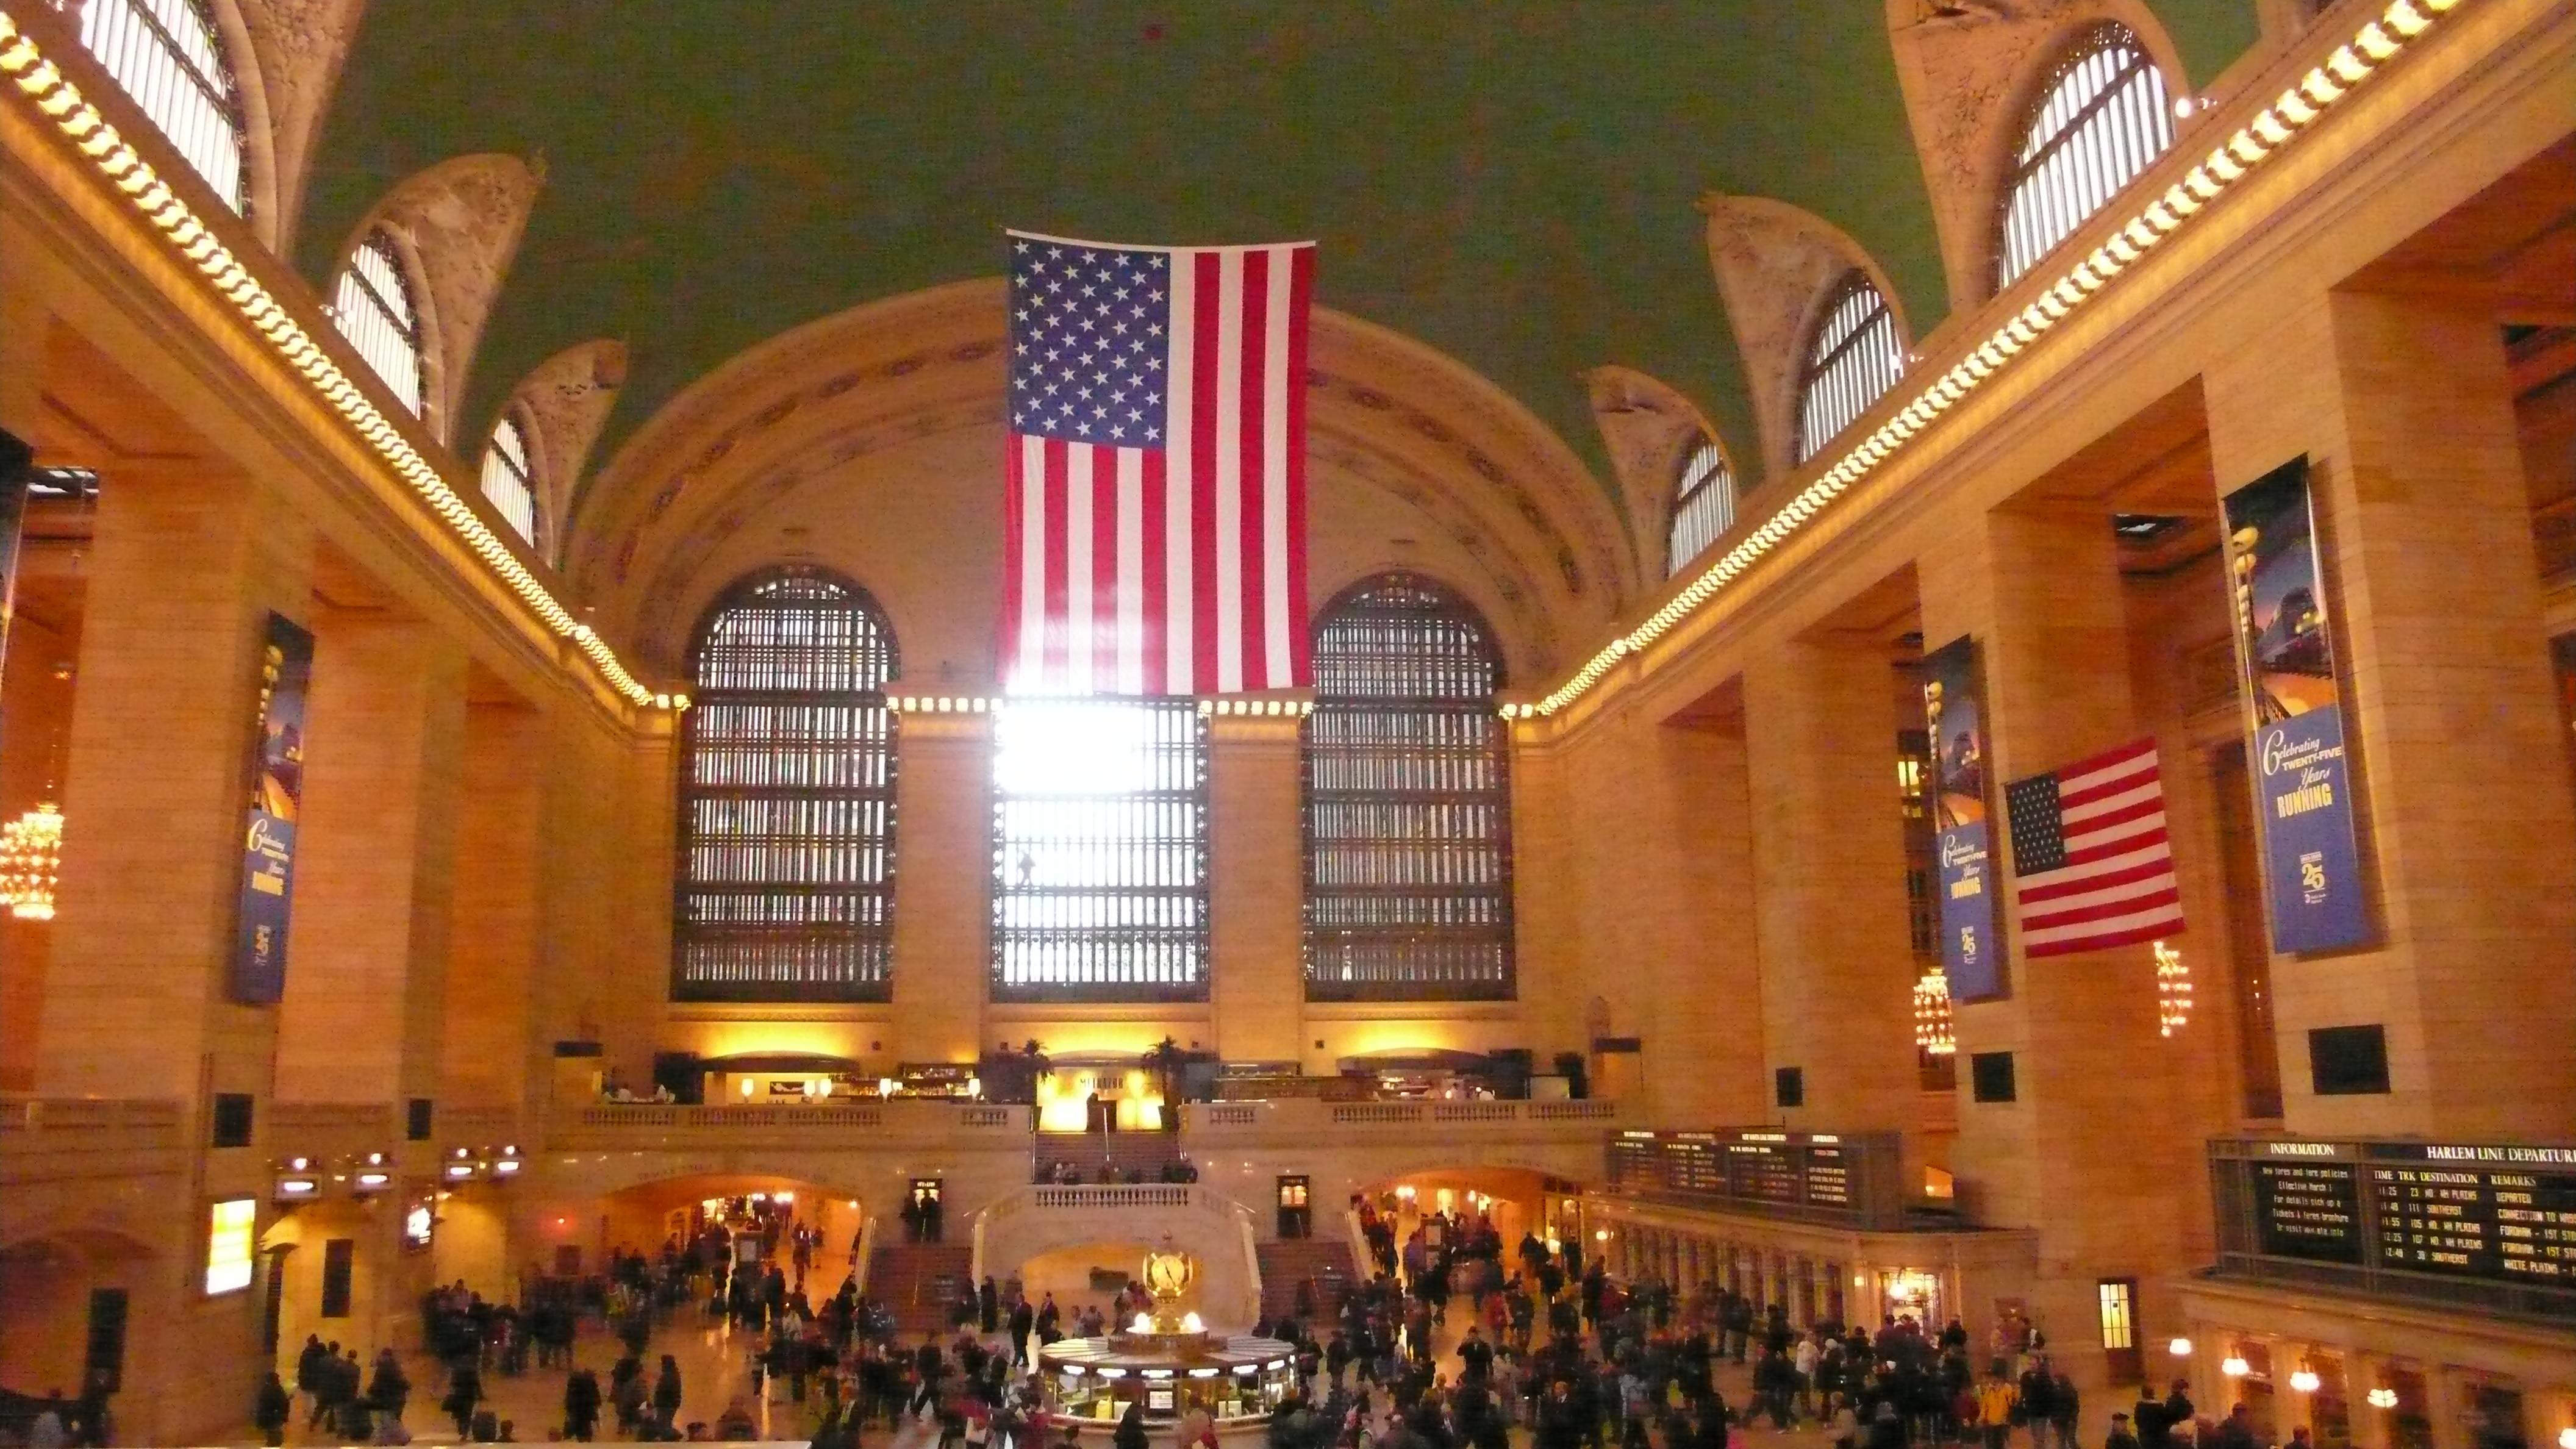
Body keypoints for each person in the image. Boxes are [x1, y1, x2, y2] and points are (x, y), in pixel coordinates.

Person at [565, 1367, 603, 1442]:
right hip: (586, 1415)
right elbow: (595, 1400)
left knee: (578, 1432)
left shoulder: (572, 1385)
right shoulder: (591, 1385)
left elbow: (569, 1402)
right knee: (586, 1434)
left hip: (576, 1414)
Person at [256, 1372, 294, 1448]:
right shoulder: (276, 1390)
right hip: (275, 1417)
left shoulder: (267, 1390)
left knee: (273, 1436)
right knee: (275, 1437)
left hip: (270, 1417)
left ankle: (271, 1444)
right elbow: (281, 1403)